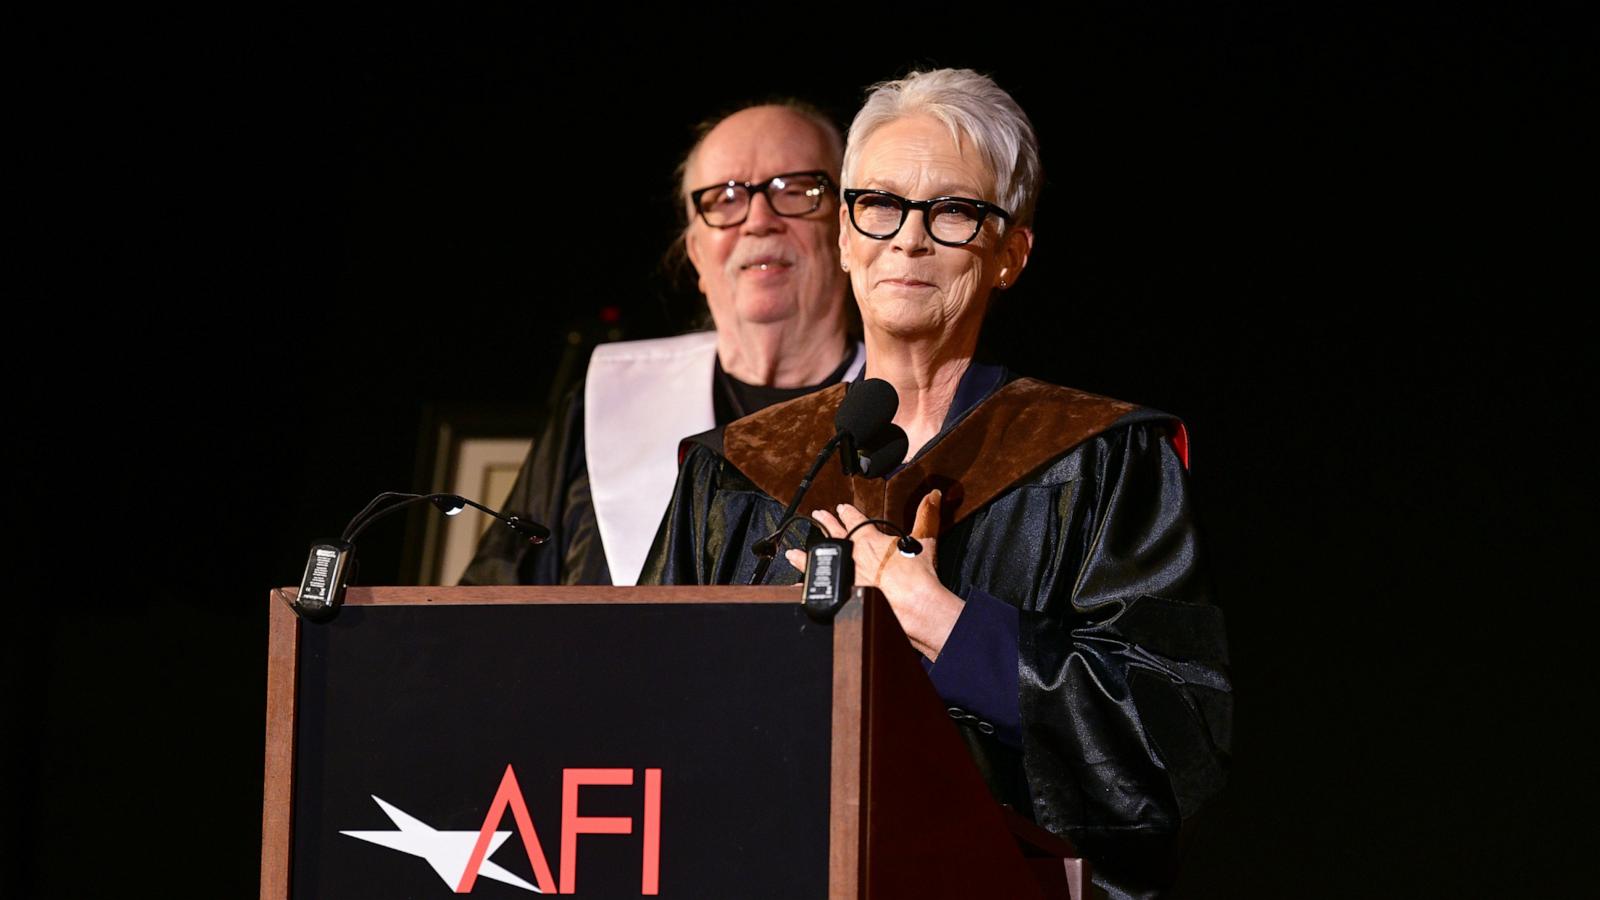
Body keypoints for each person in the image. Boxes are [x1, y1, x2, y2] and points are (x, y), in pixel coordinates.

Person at [641, 70, 1230, 898]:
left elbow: (1172, 753)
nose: (908, 240)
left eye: (954, 212)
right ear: (845, 236)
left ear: (1010, 256)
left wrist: (949, 627)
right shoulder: (735, 469)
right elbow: (644, 716)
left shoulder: (1100, 460)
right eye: (878, 204)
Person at [461, 102, 864, 587]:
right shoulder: (605, 401)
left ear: (847, 229)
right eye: (724, 198)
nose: (758, 220)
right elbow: (498, 600)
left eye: (796, 189)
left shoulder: (897, 412)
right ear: (695, 251)